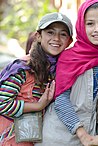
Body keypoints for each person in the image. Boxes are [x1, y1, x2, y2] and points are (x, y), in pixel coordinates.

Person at [34, 0, 98, 146]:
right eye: (90, 24)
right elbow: (61, 99)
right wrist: (81, 132)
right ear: (81, 26)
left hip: (93, 136)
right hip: (60, 136)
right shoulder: (69, 57)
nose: (97, 29)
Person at [0, 12, 73, 146]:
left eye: (63, 34)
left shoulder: (60, 71)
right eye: (50, 32)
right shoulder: (22, 68)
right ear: (39, 36)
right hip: (9, 140)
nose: (56, 38)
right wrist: (38, 105)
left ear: (69, 41)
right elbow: (2, 104)